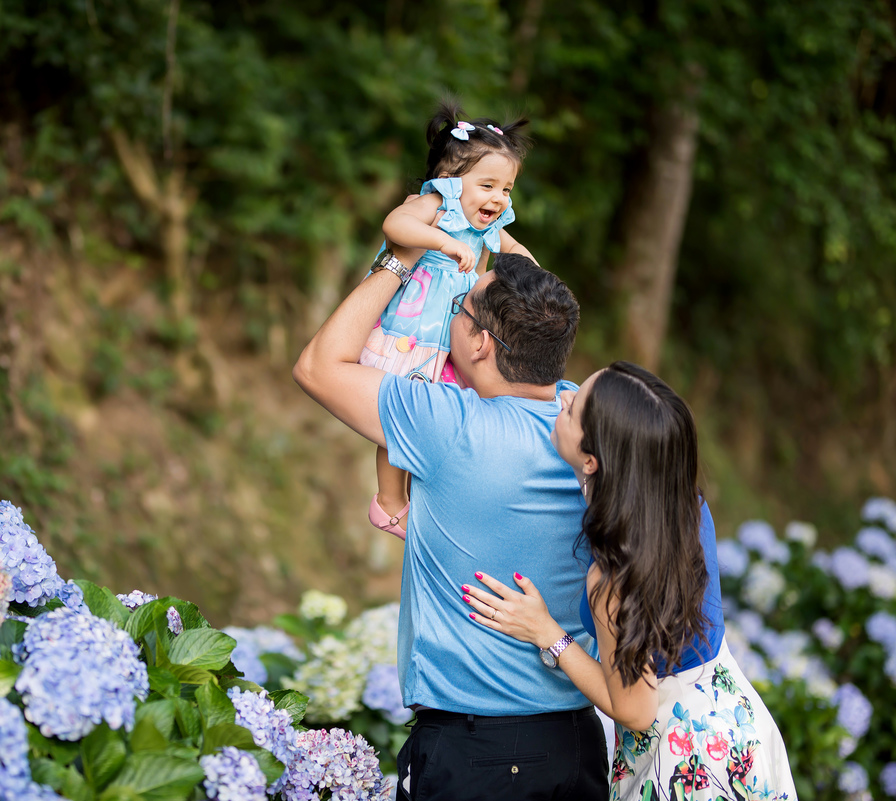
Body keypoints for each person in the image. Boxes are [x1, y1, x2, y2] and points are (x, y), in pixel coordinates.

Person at [294, 250, 609, 800]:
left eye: (459, 309)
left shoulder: (448, 423)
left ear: (482, 343)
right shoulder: (586, 425)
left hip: (476, 754)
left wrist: (400, 259)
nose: (449, 315)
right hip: (575, 743)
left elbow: (317, 366)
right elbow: (535, 312)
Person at [462, 362, 797, 800]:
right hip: (736, 727)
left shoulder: (615, 574)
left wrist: (547, 633)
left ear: (592, 459)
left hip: (686, 760)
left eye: (573, 407)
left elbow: (636, 710)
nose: (562, 398)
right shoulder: (683, 505)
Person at [361, 101, 536, 540]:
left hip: (453, 339)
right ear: (450, 183)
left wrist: (533, 276)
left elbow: (517, 253)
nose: (498, 198)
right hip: (414, 331)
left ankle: (429, 492)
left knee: (438, 419)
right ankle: (388, 501)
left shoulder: (488, 228)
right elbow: (395, 225)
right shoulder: (436, 205)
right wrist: (442, 240)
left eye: (507, 189)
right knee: (398, 418)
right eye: (488, 185)